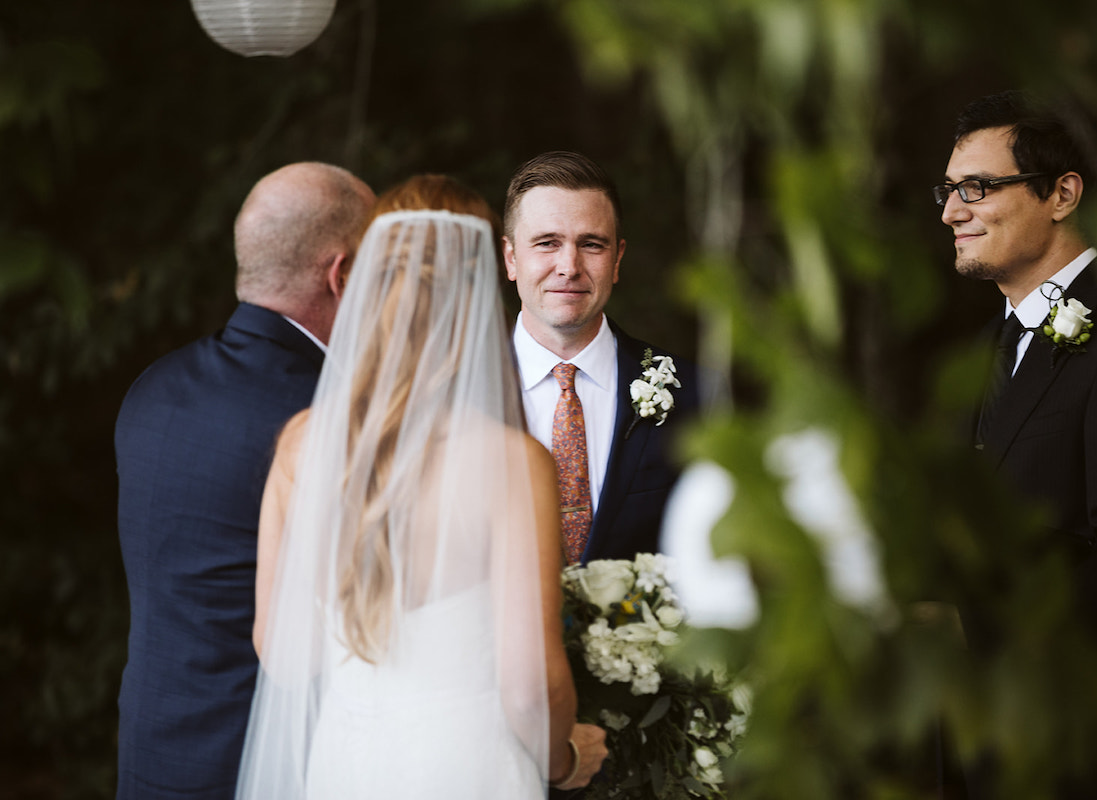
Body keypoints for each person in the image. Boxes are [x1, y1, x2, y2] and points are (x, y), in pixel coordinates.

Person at [237, 175, 607, 798]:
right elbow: (529, 686)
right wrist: (565, 758)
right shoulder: (511, 465)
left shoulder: (303, 443)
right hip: (469, 768)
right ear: (477, 291)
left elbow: (281, 654)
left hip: (344, 766)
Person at [936, 90, 1097, 798]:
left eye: (977, 188)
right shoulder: (983, 354)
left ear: (1062, 194)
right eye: (949, 190)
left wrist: (978, 629)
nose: (950, 212)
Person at [113, 162, 375, 799]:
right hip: (272, 764)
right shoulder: (333, 421)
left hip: (151, 752)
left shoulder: (154, 387)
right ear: (342, 275)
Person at [502, 151, 700, 565]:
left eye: (591, 244)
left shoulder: (695, 394)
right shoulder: (452, 393)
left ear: (617, 259)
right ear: (511, 258)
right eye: (547, 243)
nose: (569, 266)